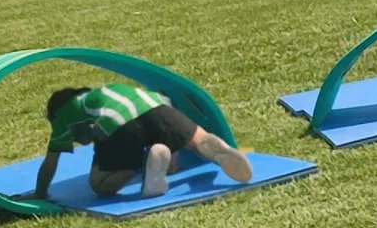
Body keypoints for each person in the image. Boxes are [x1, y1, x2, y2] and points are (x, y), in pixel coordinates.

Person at [32, 85, 252, 203]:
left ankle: (144, 163)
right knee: (197, 140)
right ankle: (215, 150)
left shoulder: (63, 115)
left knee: (99, 186)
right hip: (156, 104)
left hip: (118, 122)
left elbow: (50, 163)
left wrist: (40, 192)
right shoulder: (108, 91)